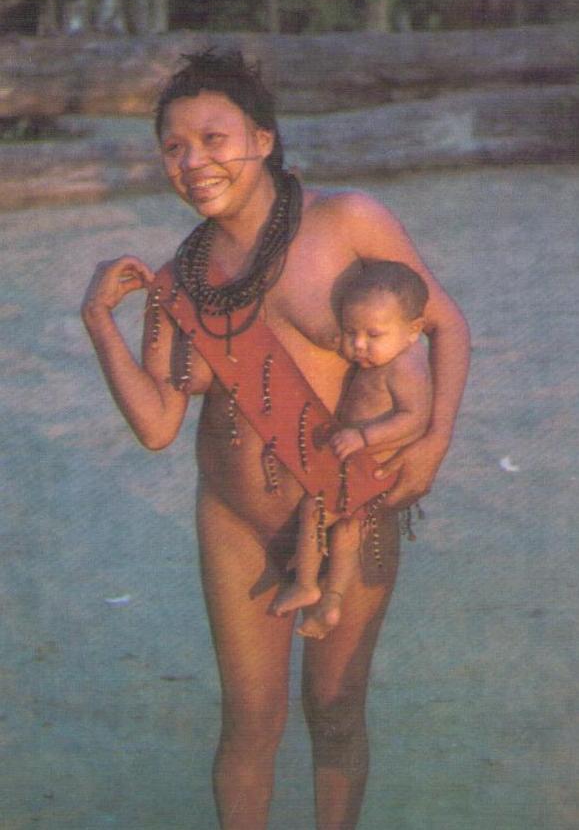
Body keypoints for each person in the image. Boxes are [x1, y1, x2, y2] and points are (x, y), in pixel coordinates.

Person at [81, 50, 470, 830]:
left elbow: (444, 323)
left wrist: (430, 447)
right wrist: (99, 322)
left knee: (334, 706)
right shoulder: (178, 279)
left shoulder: (345, 219)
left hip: (350, 505)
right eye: (174, 147)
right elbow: (158, 424)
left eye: (213, 137)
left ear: (262, 139)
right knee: (249, 722)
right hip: (233, 517)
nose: (194, 161)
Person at [272, 261, 432, 640]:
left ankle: (307, 583)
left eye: (373, 335)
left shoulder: (406, 366)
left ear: (413, 331)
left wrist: (364, 437)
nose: (359, 345)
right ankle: (331, 602)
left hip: (371, 462)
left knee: (315, 510)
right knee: (347, 530)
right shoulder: (385, 355)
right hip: (364, 464)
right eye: (351, 332)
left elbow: (415, 418)